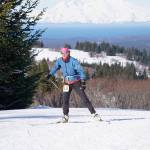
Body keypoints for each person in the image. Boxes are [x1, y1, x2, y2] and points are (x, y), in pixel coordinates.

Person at [47, 47, 102, 123]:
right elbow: (55, 67)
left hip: (76, 82)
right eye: (62, 53)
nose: (64, 55)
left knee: (84, 98)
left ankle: (94, 114)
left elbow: (81, 70)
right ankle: (65, 116)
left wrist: (83, 81)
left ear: (68, 53)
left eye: (66, 53)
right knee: (65, 100)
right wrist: (50, 74)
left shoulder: (73, 61)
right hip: (66, 82)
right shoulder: (59, 61)